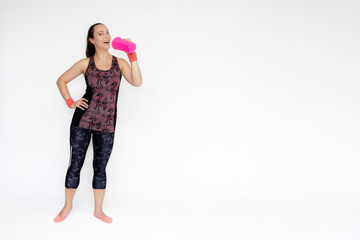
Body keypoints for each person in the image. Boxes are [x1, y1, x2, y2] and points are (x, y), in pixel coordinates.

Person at [54, 23, 142, 223]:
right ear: (92, 40)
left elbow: (137, 82)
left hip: (107, 124)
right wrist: (71, 102)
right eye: (100, 33)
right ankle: (67, 207)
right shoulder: (85, 63)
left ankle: (99, 211)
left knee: (100, 167)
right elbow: (61, 80)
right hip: (82, 121)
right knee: (75, 165)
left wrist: (132, 55)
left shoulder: (120, 63)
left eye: (108, 32)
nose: (106, 35)